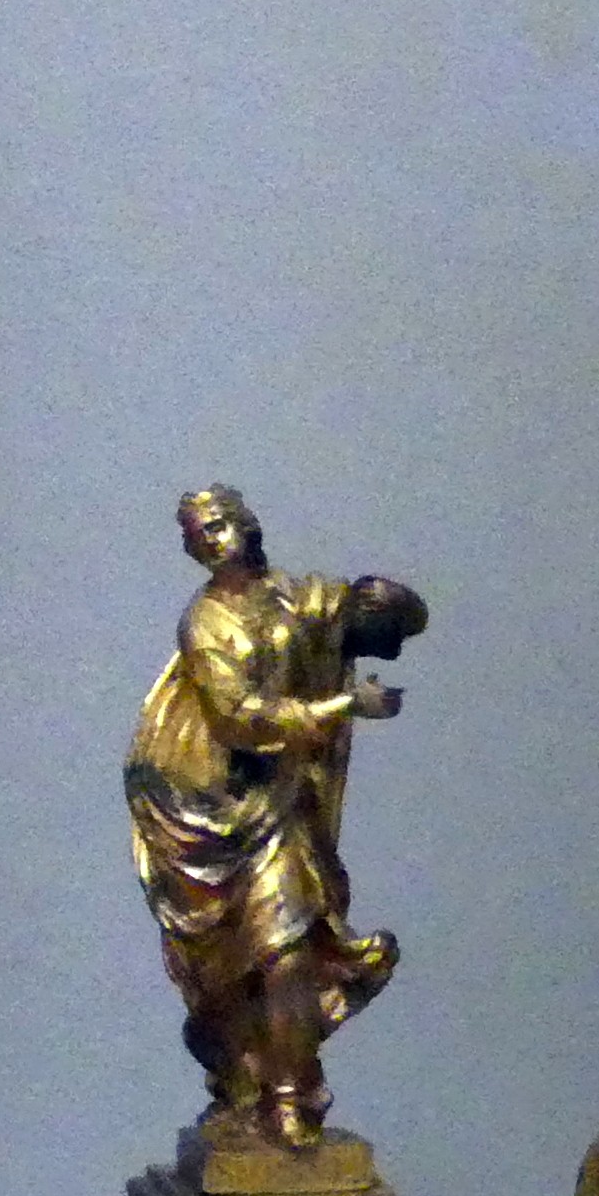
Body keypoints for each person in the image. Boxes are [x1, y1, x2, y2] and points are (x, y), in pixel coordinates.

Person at [124, 486, 429, 1148]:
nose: (210, 541)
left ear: (246, 524)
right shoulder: (204, 624)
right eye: (196, 536)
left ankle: (289, 1098)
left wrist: (380, 609)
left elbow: (365, 616)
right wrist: (343, 707)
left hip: (284, 809)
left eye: (218, 525)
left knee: (287, 952)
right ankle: (248, 1078)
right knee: (231, 976)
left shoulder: (295, 595)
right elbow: (240, 717)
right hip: (217, 812)